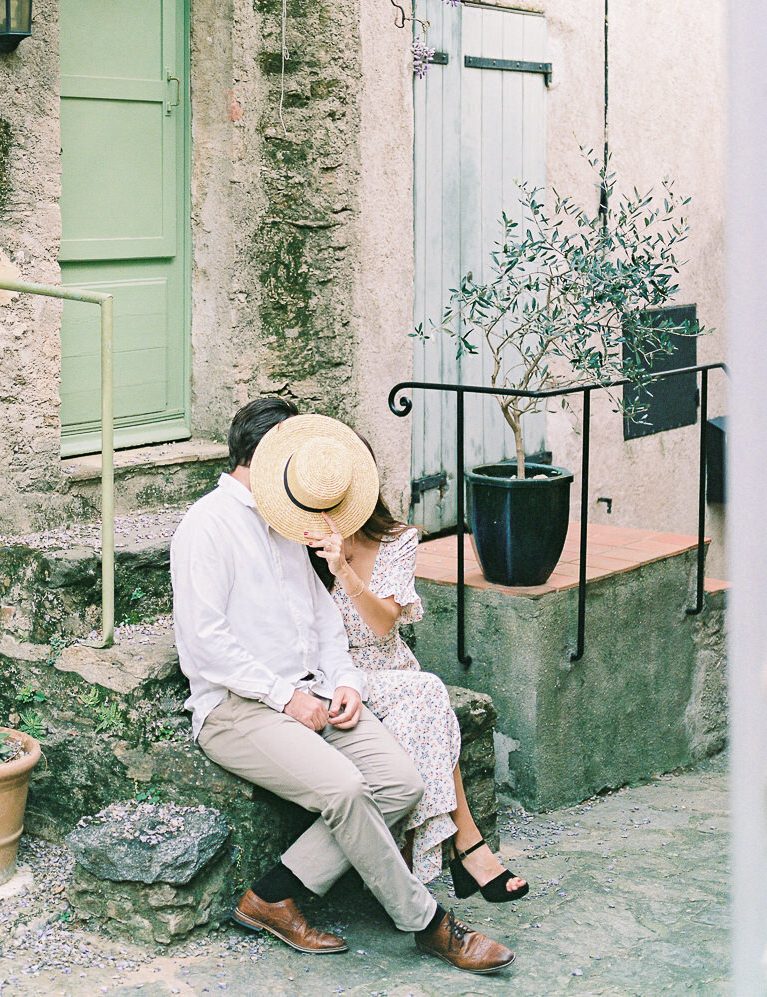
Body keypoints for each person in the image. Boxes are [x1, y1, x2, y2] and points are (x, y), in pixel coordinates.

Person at [170, 398, 516, 974]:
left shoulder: (283, 520)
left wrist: (346, 681)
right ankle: (430, 925)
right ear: (262, 458)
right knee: (348, 790)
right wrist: (287, 698)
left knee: (402, 783)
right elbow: (205, 643)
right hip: (237, 710)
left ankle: (270, 896)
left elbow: (324, 621)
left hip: (316, 694)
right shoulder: (207, 526)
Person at [308, 468, 529, 902]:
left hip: (391, 667)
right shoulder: (297, 546)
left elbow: (379, 626)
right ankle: (466, 848)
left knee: (424, 701)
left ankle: (420, 863)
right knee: (429, 695)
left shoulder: (396, 542)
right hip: (336, 677)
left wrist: (344, 571)